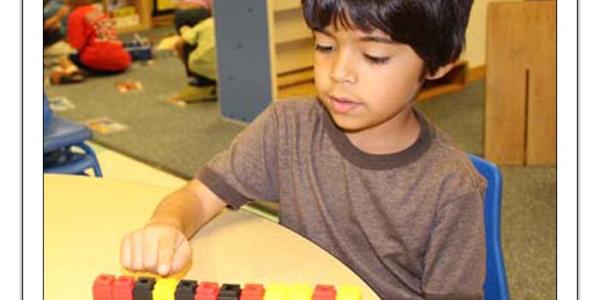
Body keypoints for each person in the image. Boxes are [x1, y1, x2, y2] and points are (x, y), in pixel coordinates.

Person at [121, 0, 486, 298]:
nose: (339, 72)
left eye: (374, 56)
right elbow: (199, 197)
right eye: (325, 46)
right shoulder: (288, 127)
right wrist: (167, 225)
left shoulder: (451, 187)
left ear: (438, 63)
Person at [170, 0, 217, 102]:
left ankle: (197, 79)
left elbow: (174, 2)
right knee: (207, 37)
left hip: (181, 12)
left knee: (188, 41)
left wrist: (186, 65)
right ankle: (209, 80)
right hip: (201, 12)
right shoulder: (206, 21)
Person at [66, 1, 131, 74]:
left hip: (96, 60)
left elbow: (76, 44)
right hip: (121, 61)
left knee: (66, 58)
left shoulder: (75, 15)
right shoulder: (98, 11)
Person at [43, 0, 85, 84]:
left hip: (54, 43)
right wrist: (58, 16)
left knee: (67, 57)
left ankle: (60, 74)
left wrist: (54, 25)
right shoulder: (55, 7)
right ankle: (70, 73)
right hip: (50, 46)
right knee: (74, 54)